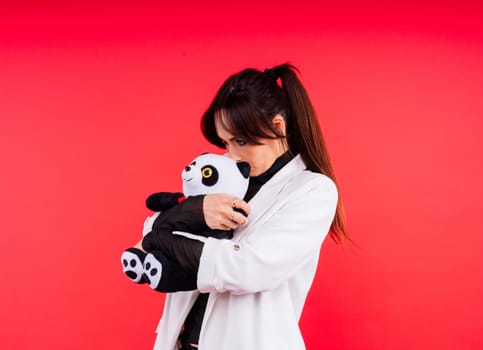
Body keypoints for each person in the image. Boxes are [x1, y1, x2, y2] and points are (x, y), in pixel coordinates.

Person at [139, 63, 348, 350]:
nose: (232, 155)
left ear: (278, 126)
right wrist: (195, 211)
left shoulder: (313, 191)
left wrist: (167, 233)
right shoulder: (224, 177)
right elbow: (152, 226)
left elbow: (247, 268)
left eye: (240, 141)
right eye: (225, 142)